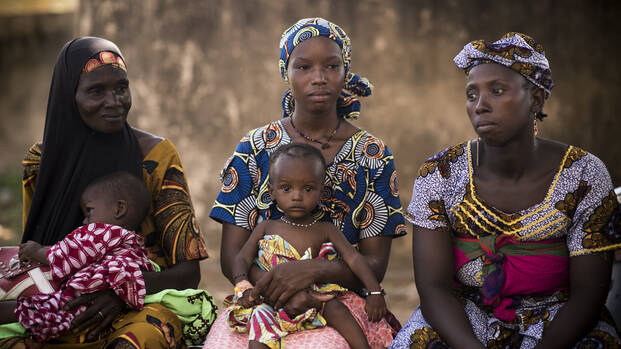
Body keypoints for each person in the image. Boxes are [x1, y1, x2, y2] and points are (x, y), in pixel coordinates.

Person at [390, 33, 621, 348]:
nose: (480, 106)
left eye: (497, 91)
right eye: (472, 94)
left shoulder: (584, 174)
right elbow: (433, 288)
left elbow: (589, 293)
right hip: (464, 317)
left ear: (536, 99)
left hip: (559, 318)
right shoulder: (440, 173)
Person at [0, 37, 215, 349]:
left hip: (138, 306)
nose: (114, 101)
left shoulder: (156, 157)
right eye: (96, 91)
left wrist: (120, 290)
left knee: (139, 340)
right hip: (59, 307)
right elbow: (33, 257)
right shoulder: (41, 162)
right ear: (67, 96)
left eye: (121, 88)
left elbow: (187, 272)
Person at [206, 17, 407, 348]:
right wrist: (279, 290)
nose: (319, 78)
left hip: (338, 304)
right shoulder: (254, 148)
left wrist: (313, 272)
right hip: (260, 299)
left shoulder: (374, 155)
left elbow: (375, 265)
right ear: (287, 73)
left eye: (331, 66)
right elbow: (231, 256)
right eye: (304, 67)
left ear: (345, 72)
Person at [229, 143, 387, 349]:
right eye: (286, 188)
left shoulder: (325, 229)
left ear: (321, 192)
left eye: (308, 189)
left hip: (318, 298)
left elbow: (355, 258)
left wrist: (374, 292)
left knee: (338, 310)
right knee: (259, 329)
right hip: (272, 297)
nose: (297, 196)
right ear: (273, 191)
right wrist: (243, 285)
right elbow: (242, 258)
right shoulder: (266, 227)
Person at [0, 172, 154, 343]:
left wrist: (37, 251)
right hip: (101, 307)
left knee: (29, 310)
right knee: (46, 322)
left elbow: (70, 256)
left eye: (89, 211)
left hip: (84, 299)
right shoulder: (136, 246)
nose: (84, 221)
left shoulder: (102, 232)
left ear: (119, 209)